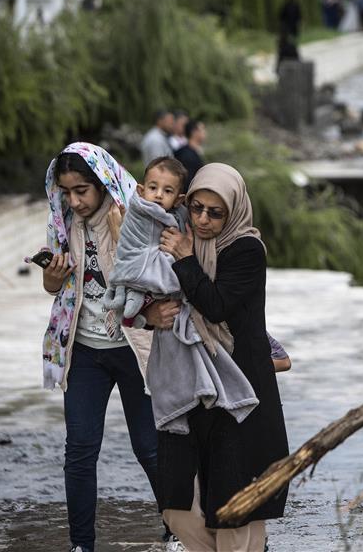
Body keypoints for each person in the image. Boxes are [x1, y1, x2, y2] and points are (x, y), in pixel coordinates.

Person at [38, 142, 181, 552]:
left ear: (102, 183)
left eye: (82, 189)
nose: (74, 200)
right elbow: (54, 288)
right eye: (67, 191)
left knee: (150, 448)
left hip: (136, 350)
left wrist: (151, 315)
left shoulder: (139, 216)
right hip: (84, 352)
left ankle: (178, 531)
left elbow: (165, 278)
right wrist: (54, 274)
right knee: (79, 451)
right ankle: (81, 545)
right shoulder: (63, 222)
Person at [153, 163, 290, 551]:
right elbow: (154, 295)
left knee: (236, 505)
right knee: (177, 502)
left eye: (216, 213)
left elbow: (215, 306)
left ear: (234, 211)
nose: (202, 220)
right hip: (193, 388)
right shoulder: (181, 239)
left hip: (239, 393)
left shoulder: (246, 250)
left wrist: (184, 259)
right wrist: (149, 314)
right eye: (196, 208)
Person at [174, 120, 206, 191]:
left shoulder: (193, 151)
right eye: (202, 129)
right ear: (194, 132)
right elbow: (187, 183)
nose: (205, 132)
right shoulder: (187, 155)